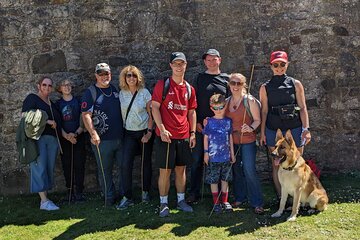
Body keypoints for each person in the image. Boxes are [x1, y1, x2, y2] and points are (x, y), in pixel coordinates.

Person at [259, 51, 311, 198]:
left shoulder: (296, 84)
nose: (279, 67)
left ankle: (298, 198)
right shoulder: (265, 87)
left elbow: (303, 107)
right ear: (271, 66)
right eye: (276, 64)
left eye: (282, 64)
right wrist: (262, 132)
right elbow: (264, 111)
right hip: (273, 130)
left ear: (287, 64)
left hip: (294, 128)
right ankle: (282, 198)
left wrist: (306, 129)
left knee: (297, 164)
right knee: (277, 165)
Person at [152, 52, 197, 217]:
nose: (179, 66)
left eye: (182, 63)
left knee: (181, 170)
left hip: (183, 135)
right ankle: (163, 203)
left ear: (186, 65)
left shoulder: (190, 89)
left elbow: (192, 112)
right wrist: (161, 128)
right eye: (176, 63)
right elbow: (154, 107)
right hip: (166, 136)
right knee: (165, 171)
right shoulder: (162, 84)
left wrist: (192, 133)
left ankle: (180, 200)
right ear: (170, 65)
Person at [187, 48, 229, 204]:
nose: (211, 62)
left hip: (220, 129)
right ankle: (194, 193)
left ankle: (223, 195)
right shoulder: (199, 78)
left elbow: (230, 103)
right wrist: (196, 123)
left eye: (214, 59)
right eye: (208, 60)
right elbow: (193, 103)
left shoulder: (227, 79)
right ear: (205, 62)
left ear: (220, 60)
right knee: (197, 159)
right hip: (201, 127)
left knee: (223, 161)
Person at [81, 63, 124, 206]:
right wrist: (93, 134)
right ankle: (109, 198)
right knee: (105, 171)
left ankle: (125, 196)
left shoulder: (115, 89)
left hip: (120, 138)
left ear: (110, 74)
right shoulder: (91, 92)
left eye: (106, 73)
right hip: (102, 140)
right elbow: (86, 115)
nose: (104, 76)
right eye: (101, 74)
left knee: (124, 167)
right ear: (96, 76)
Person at [225, 73, 264, 214]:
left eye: (239, 83)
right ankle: (240, 197)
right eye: (233, 83)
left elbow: (257, 120)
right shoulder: (227, 101)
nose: (236, 86)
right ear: (229, 84)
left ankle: (257, 202)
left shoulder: (249, 101)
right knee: (236, 170)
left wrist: (251, 127)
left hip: (247, 141)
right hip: (232, 141)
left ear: (244, 85)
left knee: (249, 170)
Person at [116, 65, 154, 210]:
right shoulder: (121, 94)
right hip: (129, 133)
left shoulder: (145, 93)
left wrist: (149, 132)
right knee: (125, 164)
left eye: (133, 75)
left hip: (144, 131)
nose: (131, 78)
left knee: (145, 163)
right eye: (128, 75)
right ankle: (127, 196)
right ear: (124, 78)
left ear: (138, 78)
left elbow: (151, 114)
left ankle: (145, 192)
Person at [21, 76, 62, 210]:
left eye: (50, 86)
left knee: (48, 168)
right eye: (44, 85)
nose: (47, 88)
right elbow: (25, 116)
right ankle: (44, 202)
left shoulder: (52, 103)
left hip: (52, 140)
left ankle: (45, 199)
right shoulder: (32, 99)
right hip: (37, 139)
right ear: (39, 86)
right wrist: (48, 121)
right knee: (39, 167)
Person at [203, 94, 235, 213]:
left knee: (225, 179)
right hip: (213, 157)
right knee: (214, 180)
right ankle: (216, 203)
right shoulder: (209, 122)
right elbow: (206, 138)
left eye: (221, 107)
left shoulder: (228, 122)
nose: (218, 110)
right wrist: (206, 153)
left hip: (226, 156)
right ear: (211, 108)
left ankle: (225, 201)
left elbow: (230, 138)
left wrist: (232, 153)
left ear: (225, 106)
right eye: (215, 108)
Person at [56, 79, 86, 202]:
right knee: (67, 165)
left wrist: (75, 134)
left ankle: (79, 192)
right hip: (64, 139)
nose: (67, 87)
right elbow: (57, 123)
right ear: (60, 89)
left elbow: (83, 119)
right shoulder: (57, 104)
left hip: (78, 137)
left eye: (69, 85)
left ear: (72, 87)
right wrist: (67, 136)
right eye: (64, 85)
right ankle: (70, 192)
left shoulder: (78, 101)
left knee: (79, 165)